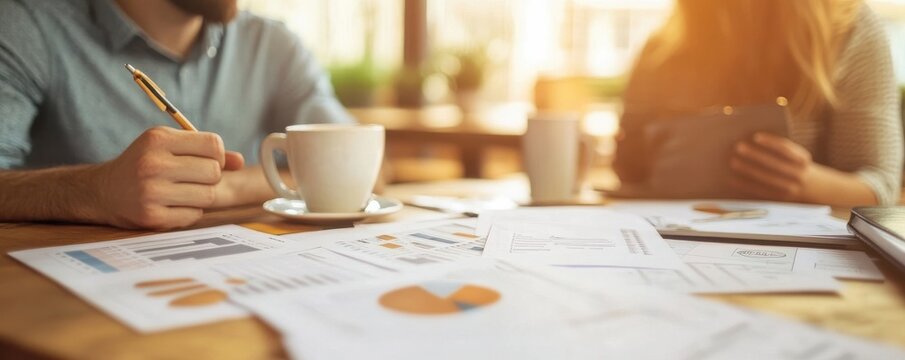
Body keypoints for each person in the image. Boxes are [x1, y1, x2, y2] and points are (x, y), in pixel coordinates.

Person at [0, 0, 354, 229]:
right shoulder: (25, 26)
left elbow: (364, 167)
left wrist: (222, 189)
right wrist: (94, 190)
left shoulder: (273, 43)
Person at [614, 0, 902, 207]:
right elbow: (630, 167)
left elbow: (881, 186)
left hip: (800, 256)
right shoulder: (665, 46)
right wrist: (630, 161)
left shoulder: (851, 28)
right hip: (673, 241)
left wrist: (806, 182)